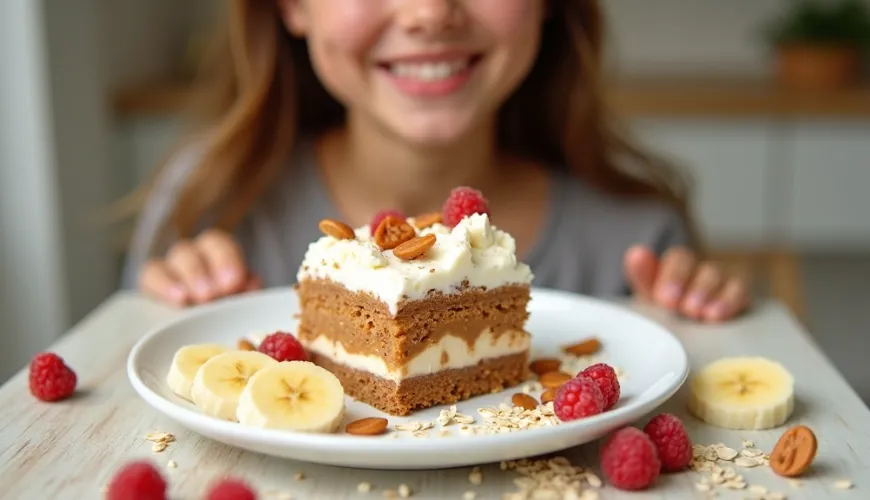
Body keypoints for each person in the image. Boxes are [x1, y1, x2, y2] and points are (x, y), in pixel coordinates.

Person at [121, 0, 750, 323]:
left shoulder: (639, 235)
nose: (429, 14)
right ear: (292, 5)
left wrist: (701, 317)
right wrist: (164, 309)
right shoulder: (208, 206)